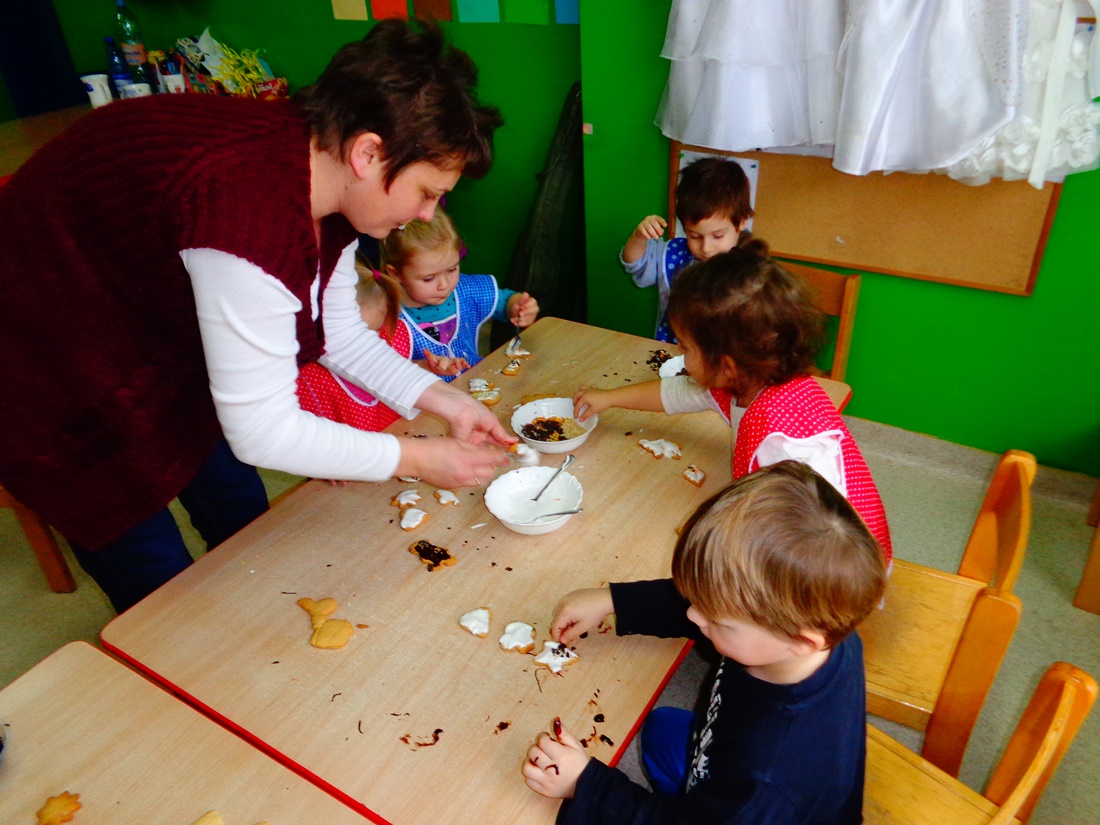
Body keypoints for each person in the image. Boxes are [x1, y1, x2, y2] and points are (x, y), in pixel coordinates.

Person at [0, 19, 513, 612]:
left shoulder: (327, 178)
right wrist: (417, 459)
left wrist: (448, 402)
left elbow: (338, 332)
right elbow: (262, 431)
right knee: (157, 579)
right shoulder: (247, 215)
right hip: (44, 359)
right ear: (369, 153)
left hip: (148, 323)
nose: (429, 211)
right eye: (427, 191)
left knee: (239, 512)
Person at [522, 461, 888, 824]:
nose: (694, 615)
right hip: (725, 758)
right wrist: (613, 600)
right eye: (697, 599)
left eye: (716, 620)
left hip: (746, 809)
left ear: (801, 640)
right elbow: (719, 598)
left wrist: (586, 786)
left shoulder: (765, 784)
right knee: (662, 727)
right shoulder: (816, 622)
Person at [576, 239, 892, 564]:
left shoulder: (785, 446)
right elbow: (676, 393)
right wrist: (608, 398)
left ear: (725, 364)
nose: (679, 355)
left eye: (685, 347)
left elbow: (816, 546)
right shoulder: (747, 377)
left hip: (839, 570)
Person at [380, 208, 539, 380]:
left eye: (452, 269)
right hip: (425, 395)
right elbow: (385, 372)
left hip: (476, 385)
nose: (444, 285)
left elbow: (505, 301)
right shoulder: (384, 314)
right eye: (429, 278)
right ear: (395, 274)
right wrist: (423, 366)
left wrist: (518, 306)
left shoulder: (465, 289)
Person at [621, 156, 753, 343]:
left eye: (718, 236)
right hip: (672, 353)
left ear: (741, 222)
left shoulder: (752, 267)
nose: (706, 248)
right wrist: (638, 237)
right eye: (695, 236)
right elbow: (636, 263)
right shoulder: (675, 254)